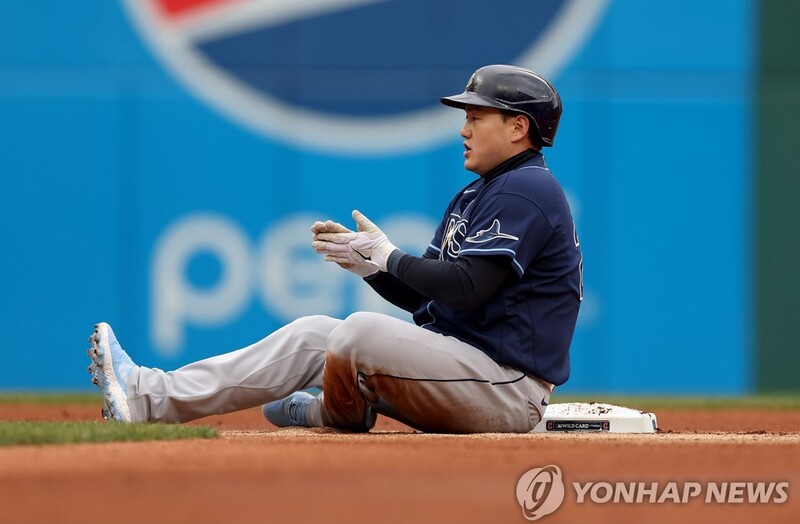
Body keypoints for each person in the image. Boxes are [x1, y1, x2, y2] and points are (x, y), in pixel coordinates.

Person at [87, 64, 582, 433]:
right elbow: (427, 299)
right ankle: (149, 397)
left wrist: (389, 256)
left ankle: (324, 412)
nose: (463, 129)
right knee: (314, 333)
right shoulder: (478, 193)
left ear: (518, 127)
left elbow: (469, 289)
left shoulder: (528, 189)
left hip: (506, 387)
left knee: (358, 331)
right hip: (463, 368)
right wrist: (372, 269)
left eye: (477, 116)